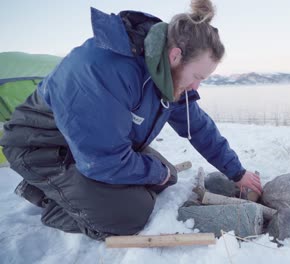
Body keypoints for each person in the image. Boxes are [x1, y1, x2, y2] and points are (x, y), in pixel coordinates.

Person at [0, 0, 262, 240]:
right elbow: (103, 162)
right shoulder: (103, 69)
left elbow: (199, 127)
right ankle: (48, 199)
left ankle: (75, 190)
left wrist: (237, 173)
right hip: (42, 146)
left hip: (95, 145)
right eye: (198, 77)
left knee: (168, 177)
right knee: (132, 214)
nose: (196, 88)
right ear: (175, 56)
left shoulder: (166, 73)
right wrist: (152, 172)